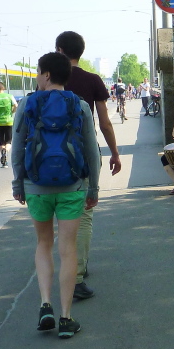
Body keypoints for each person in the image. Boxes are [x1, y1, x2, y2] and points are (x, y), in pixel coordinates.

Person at [11, 52, 101, 339]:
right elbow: (92, 151)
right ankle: (66, 317)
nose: (37, 77)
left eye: (38, 72)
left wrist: (18, 183)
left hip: (36, 187)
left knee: (43, 244)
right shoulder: (80, 105)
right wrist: (93, 187)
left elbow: (17, 147)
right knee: (68, 249)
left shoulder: (27, 103)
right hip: (72, 186)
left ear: (47, 75)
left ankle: (45, 304)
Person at [56, 31, 121, 300]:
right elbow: (104, 123)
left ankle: (71, 267)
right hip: (83, 154)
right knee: (82, 215)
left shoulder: (50, 80)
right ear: (80, 52)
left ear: (60, 51)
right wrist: (115, 153)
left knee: (61, 215)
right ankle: (77, 275)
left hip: (52, 158)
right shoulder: (92, 80)